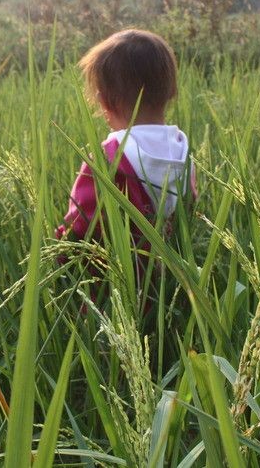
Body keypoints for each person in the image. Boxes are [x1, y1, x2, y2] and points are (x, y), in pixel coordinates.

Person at [55, 29, 196, 291]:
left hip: (113, 289)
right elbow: (188, 213)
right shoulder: (183, 153)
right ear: (172, 92)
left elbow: (81, 224)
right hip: (170, 286)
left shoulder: (108, 159)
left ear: (104, 102)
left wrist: (58, 256)